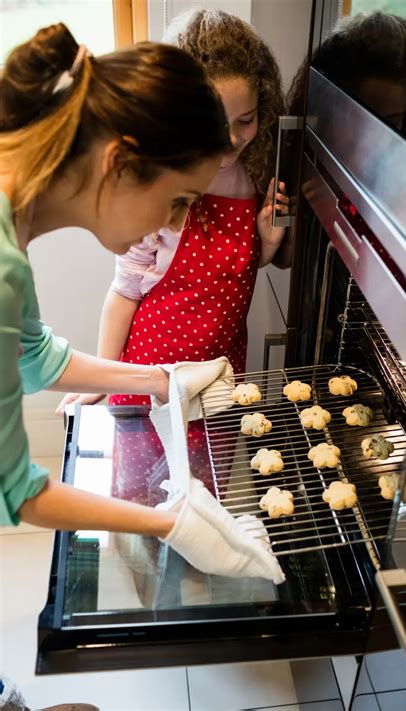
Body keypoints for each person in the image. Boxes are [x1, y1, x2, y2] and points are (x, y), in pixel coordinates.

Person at [57, 10, 288, 500]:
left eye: (245, 121)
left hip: (220, 385)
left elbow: (236, 274)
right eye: (213, 124)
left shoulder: (253, 174)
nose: (230, 139)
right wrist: (101, 373)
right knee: (144, 504)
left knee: (203, 500)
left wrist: (266, 244)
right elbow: (124, 292)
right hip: (150, 383)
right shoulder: (162, 190)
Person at [274, 10, 406, 268]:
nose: (375, 140)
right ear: (333, 107)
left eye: (390, 122)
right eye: (362, 122)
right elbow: (284, 259)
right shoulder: (315, 155)